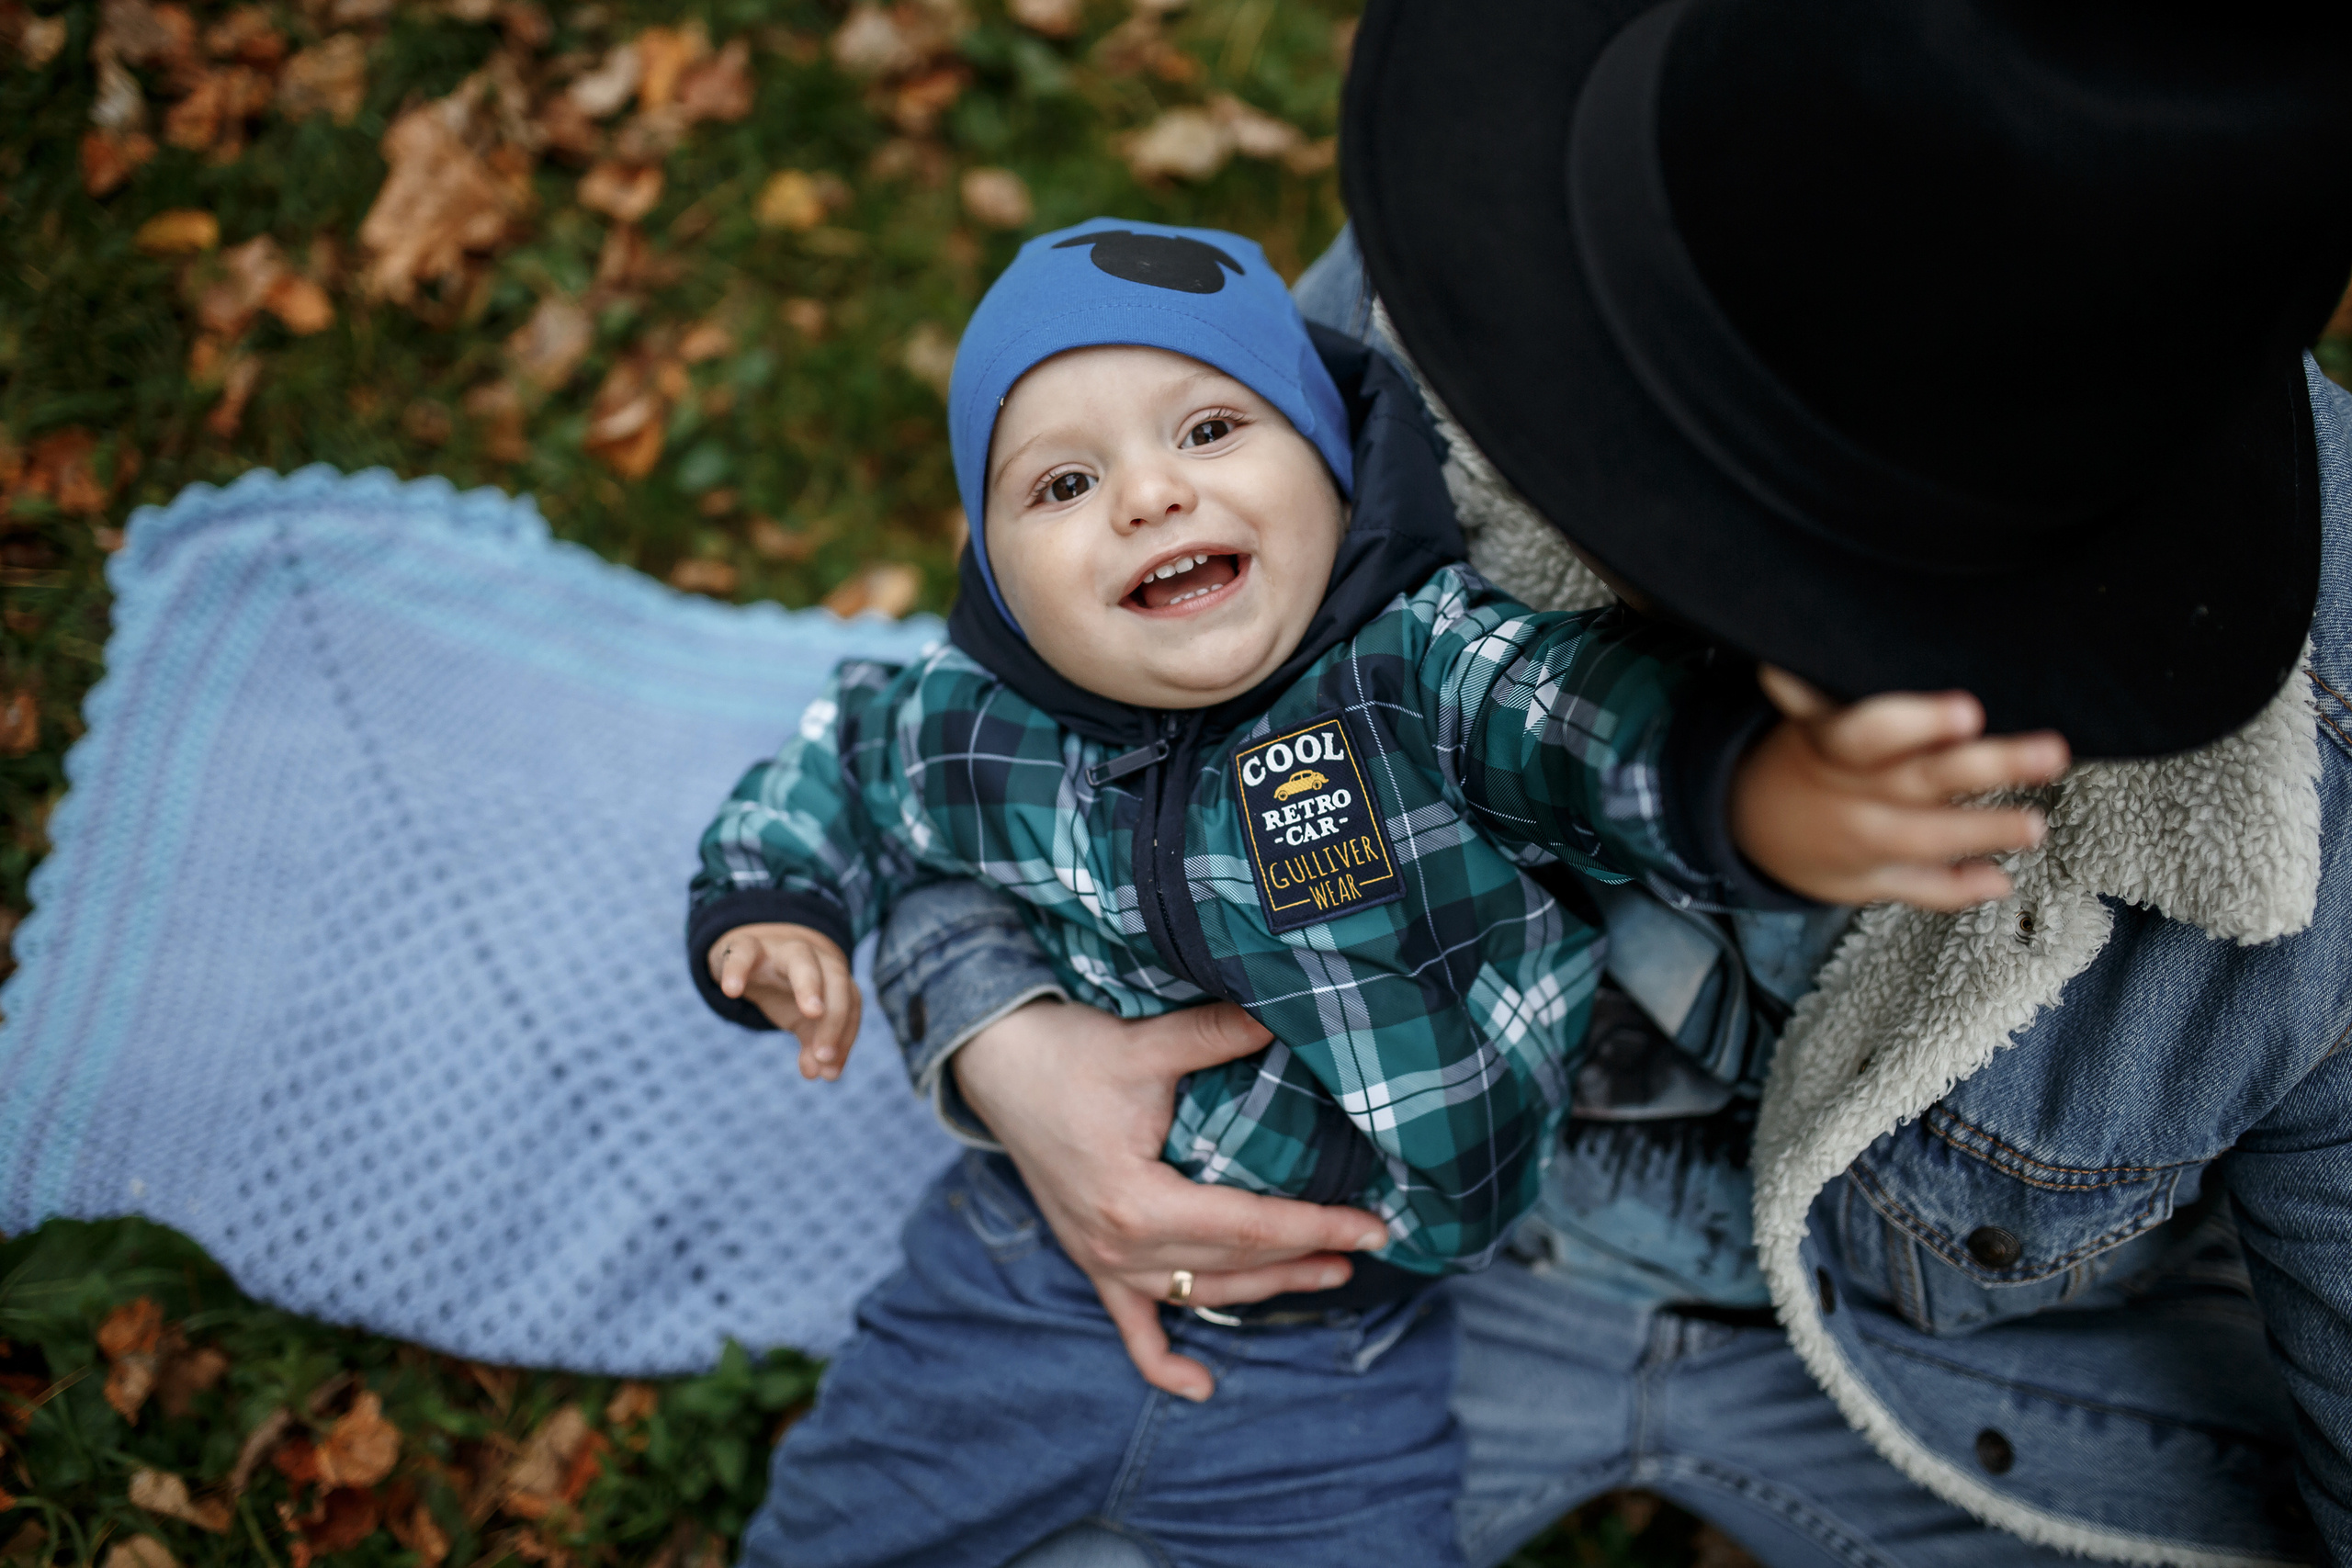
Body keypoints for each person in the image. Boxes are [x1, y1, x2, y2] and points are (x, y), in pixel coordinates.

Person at [839, 1, 2352, 1563]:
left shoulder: (2320, 769)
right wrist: (1003, 1039)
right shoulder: (1474, 279)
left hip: (1975, 1380)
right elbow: (1038, 706)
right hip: (1408, 1252)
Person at [687, 218, 2062, 1568]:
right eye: (1059, 486)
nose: (1148, 495)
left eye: (1212, 429)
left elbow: (1583, 725)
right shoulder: (980, 719)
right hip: (1018, 1287)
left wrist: (1765, 796)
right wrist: (771, 901)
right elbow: (838, 765)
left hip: (1361, 1347)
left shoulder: (1419, 673)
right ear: (995, 581)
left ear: (1336, 462)